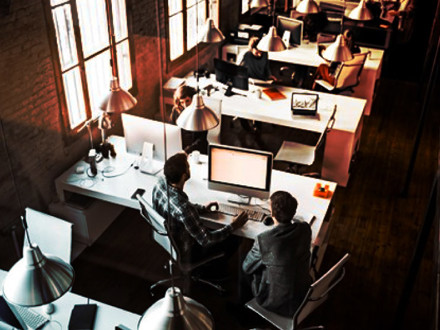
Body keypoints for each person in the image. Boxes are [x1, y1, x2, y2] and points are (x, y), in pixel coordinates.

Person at [152, 152, 248, 265]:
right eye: (188, 166)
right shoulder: (184, 209)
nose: (189, 168)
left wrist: (202, 209)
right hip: (186, 252)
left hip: (166, 241)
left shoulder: (159, 184)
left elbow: (176, 207)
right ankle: (214, 273)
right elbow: (206, 240)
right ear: (184, 176)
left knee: (214, 226)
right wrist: (233, 226)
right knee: (236, 236)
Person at [242, 191, 312, 316]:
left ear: (272, 213)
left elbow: (247, 267)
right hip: (303, 295)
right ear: (294, 213)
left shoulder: (264, 240)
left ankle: (245, 315)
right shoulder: (305, 229)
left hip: (276, 302)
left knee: (245, 266)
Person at [171, 85, 209, 154]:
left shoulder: (200, 111)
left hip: (197, 149)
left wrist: (187, 151)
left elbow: (201, 139)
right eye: (182, 102)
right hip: (181, 146)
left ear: (193, 99)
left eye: (187, 101)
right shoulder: (176, 111)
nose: (185, 105)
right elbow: (171, 129)